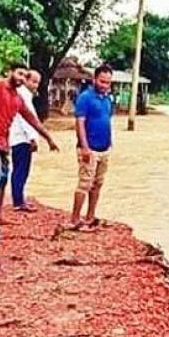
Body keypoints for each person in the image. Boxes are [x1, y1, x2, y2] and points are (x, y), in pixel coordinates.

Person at [0, 63, 59, 225]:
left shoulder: (17, 98)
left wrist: (48, 138)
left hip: (3, 143)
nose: (21, 78)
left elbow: (32, 119)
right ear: (10, 72)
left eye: (24, 76)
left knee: (3, 178)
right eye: (19, 74)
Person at [65, 65, 114, 232]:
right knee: (84, 184)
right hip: (89, 148)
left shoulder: (108, 99)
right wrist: (85, 147)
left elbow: (107, 121)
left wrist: (110, 144)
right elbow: (80, 123)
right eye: (102, 81)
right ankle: (74, 219)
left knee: (98, 184)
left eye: (108, 82)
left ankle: (90, 216)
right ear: (94, 79)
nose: (104, 85)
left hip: (104, 148)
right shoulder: (85, 98)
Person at [9, 70, 42, 212]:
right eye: (34, 82)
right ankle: (18, 201)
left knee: (19, 169)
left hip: (18, 138)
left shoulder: (23, 94)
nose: (36, 85)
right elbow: (26, 119)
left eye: (38, 83)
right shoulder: (23, 95)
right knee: (21, 170)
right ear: (27, 81)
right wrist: (32, 138)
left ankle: (19, 198)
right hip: (21, 138)